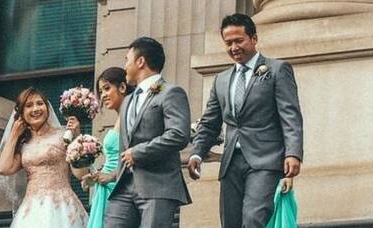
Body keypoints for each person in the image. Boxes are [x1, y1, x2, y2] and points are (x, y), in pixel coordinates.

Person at [189, 13, 304, 228]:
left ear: (254, 39)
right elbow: (210, 123)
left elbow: (290, 115)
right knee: (231, 223)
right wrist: (197, 152)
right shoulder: (221, 80)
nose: (234, 47)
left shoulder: (277, 70)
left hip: (266, 161)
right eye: (228, 43)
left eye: (239, 40)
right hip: (231, 162)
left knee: (254, 219)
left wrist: (293, 153)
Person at [104, 37, 192, 228]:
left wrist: (138, 152)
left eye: (127, 59)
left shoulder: (171, 92)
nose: (125, 66)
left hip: (157, 185)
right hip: (124, 185)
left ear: (140, 61)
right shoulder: (127, 100)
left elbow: (179, 134)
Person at [0, 87, 88, 227]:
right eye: (29, 105)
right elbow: (3, 168)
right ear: (21, 113)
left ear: (47, 107)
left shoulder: (63, 134)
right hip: (32, 211)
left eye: (40, 103)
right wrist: (14, 134)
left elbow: (80, 174)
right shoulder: (23, 144)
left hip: (63, 207)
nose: (36, 109)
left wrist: (76, 137)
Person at [81, 67, 130, 228]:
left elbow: (136, 155)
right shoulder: (120, 117)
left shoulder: (131, 117)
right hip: (106, 187)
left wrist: (112, 176)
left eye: (107, 88)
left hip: (119, 186)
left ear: (122, 87)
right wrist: (96, 177)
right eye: (101, 91)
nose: (103, 95)